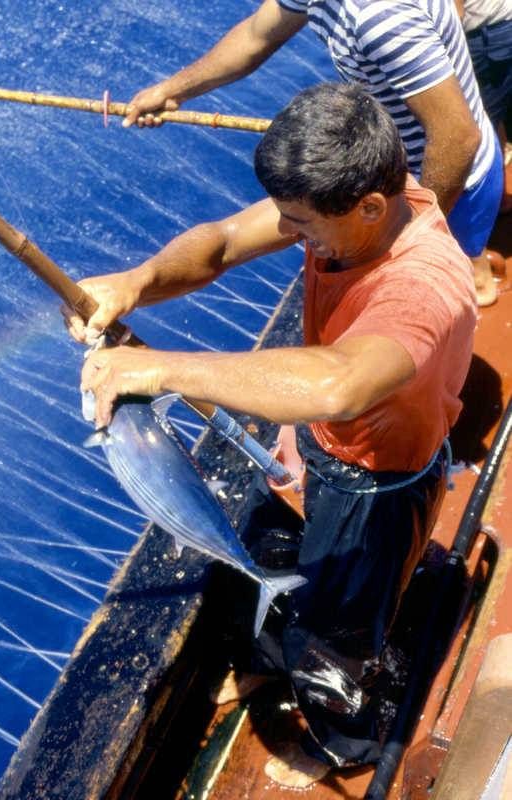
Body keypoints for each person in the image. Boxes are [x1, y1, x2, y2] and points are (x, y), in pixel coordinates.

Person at [65, 83, 477, 786]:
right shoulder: (353, 200)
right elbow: (222, 242)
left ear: (370, 207)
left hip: (374, 487)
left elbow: (338, 382)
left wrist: (158, 370)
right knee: (262, 551)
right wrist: (133, 284)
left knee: (334, 639)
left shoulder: (423, 285)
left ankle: (342, 739)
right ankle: (270, 661)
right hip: (312, 446)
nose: (290, 234)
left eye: (302, 224)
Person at [121, 0, 503, 306]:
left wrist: (410, 232)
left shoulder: (379, 18)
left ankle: (474, 284)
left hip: (450, 182)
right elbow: (257, 34)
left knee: (445, 290)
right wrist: (173, 91)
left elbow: (456, 137)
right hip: (399, 165)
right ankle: (473, 264)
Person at [455, 0, 512, 214]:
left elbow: (456, 13)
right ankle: (499, 198)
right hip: (496, 30)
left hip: (488, 38)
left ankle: (490, 205)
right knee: (489, 117)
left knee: (478, 124)